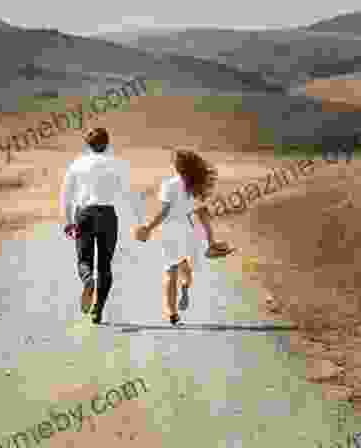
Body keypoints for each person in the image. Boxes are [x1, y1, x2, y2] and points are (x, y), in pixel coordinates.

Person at [132, 149, 234, 325]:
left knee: (170, 272)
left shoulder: (169, 185)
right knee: (183, 267)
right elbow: (203, 216)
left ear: (178, 167)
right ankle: (186, 286)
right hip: (189, 231)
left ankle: (172, 312)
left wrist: (148, 228)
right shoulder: (197, 188)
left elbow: (164, 212)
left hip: (169, 233)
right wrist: (211, 240)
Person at [60, 128, 135, 325]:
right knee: (105, 266)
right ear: (107, 144)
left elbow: (66, 196)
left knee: (84, 259)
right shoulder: (117, 164)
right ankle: (98, 310)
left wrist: (68, 221)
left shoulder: (77, 164)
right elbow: (128, 193)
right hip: (108, 215)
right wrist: (139, 222)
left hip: (84, 214)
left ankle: (86, 280)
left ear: (87, 144)